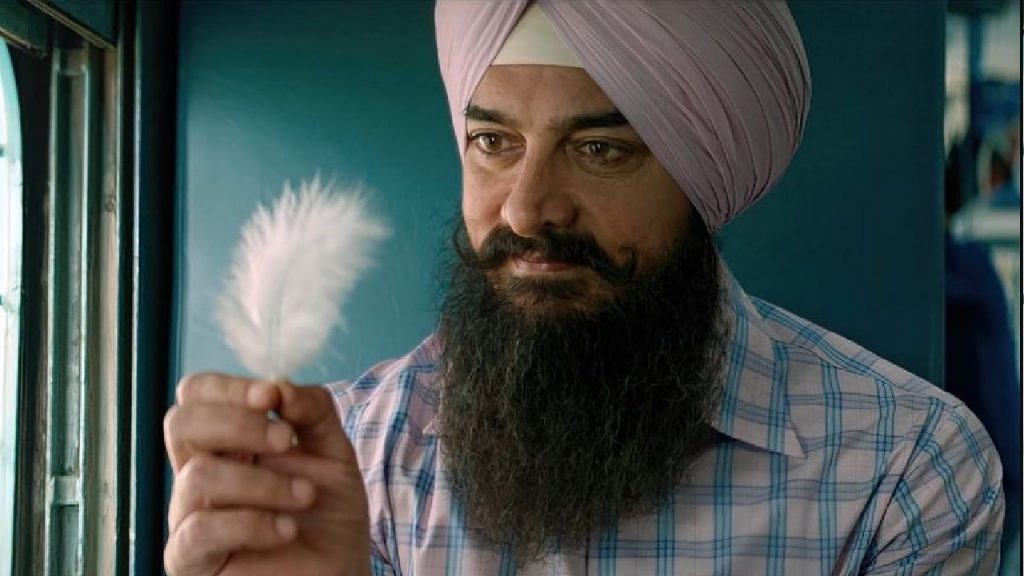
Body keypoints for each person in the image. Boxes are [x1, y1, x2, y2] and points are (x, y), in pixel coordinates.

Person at [162, 2, 1005, 575]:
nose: (527, 208)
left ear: (702, 177)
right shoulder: (354, 462)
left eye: (600, 149)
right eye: (493, 142)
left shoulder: (904, 469)